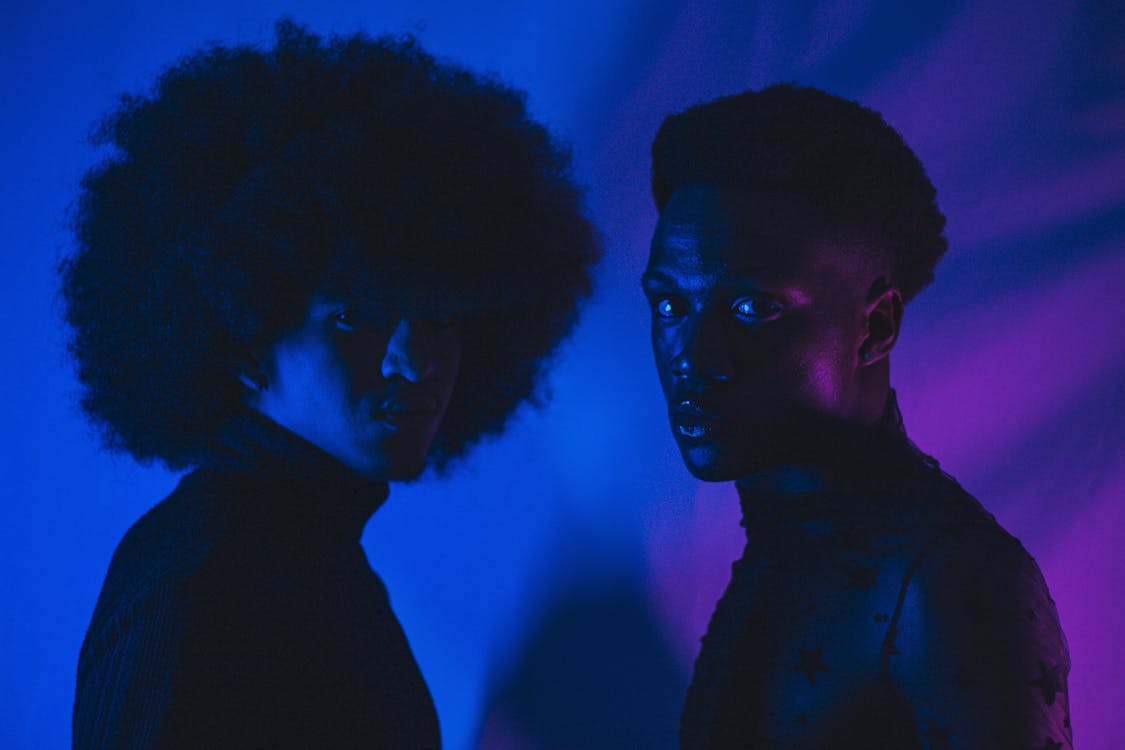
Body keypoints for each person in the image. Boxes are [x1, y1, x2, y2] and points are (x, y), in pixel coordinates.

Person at [61, 20, 599, 748]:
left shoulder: (298, 552)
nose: (415, 361)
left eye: (441, 319)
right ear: (247, 338)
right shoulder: (208, 578)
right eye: (357, 316)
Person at [642, 85, 1071, 749]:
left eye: (752, 309)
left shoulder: (944, 576)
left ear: (875, 327)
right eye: (670, 306)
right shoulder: (786, 547)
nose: (695, 358)